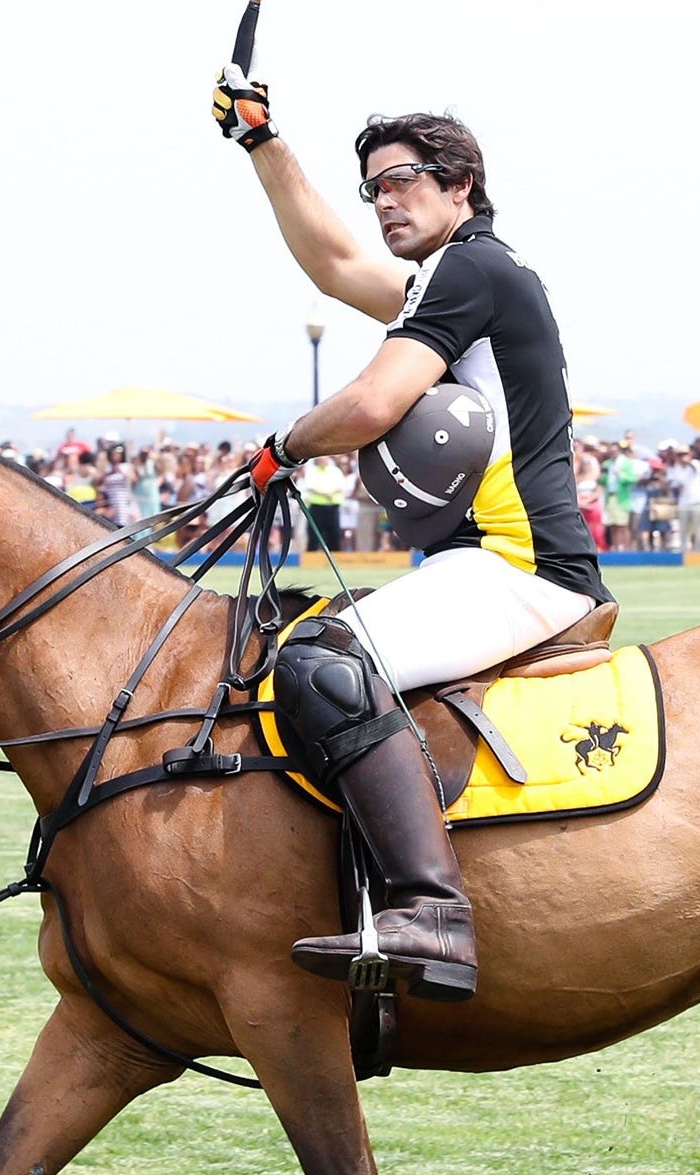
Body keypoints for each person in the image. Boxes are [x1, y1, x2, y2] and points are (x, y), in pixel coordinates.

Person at [220, 74, 608, 1000]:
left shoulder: (470, 268)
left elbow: (373, 401)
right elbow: (332, 266)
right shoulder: (455, 274)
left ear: (459, 185)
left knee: (323, 664)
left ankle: (431, 907)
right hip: (494, 563)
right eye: (373, 188)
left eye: (401, 181)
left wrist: (283, 446)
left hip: (524, 567)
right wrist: (260, 142)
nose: (384, 200)